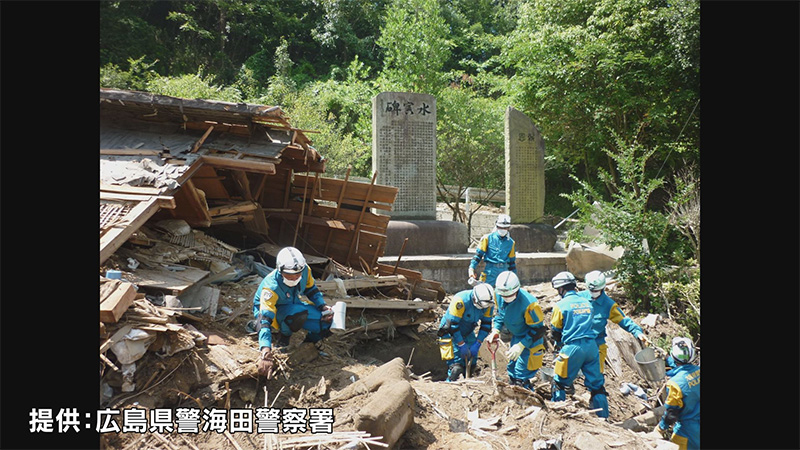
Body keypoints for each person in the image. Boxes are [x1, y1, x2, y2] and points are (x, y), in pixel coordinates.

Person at [252, 247, 333, 378]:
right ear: (280, 270)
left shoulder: (305, 270)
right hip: (274, 309)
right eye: (290, 275)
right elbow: (265, 318)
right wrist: (265, 350)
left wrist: (323, 306)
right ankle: (284, 339)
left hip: (294, 304)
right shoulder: (271, 286)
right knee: (296, 315)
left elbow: (311, 289)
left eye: (298, 274)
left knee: (328, 323)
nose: (296, 277)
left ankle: (308, 346)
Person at [549, 271, 609, 418]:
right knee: (597, 386)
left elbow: (555, 331)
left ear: (561, 289)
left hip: (573, 348)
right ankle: (604, 419)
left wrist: (558, 347)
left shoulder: (560, 305)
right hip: (592, 347)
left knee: (559, 383)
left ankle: (558, 417)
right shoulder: (588, 303)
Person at [579, 270, 650, 374]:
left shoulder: (608, 304)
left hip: (597, 346)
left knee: (596, 376)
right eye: (592, 290)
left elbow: (623, 320)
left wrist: (637, 332)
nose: (594, 293)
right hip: (578, 344)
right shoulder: (578, 298)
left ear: (602, 288)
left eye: (596, 290)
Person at [485, 271, 547, 391]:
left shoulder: (530, 304)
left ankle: (526, 399)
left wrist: (522, 345)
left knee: (521, 374)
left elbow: (538, 330)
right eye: (504, 296)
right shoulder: (498, 295)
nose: (506, 298)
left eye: (509, 295)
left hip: (531, 340)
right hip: (517, 337)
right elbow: (500, 314)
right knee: (512, 370)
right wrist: (496, 330)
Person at [437, 283, 496, 382]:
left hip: (467, 330)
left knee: (472, 363)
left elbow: (486, 325)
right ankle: (450, 383)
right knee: (456, 368)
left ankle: (467, 381)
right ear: (474, 299)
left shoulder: (488, 304)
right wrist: (461, 344)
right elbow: (453, 325)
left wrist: (478, 343)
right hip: (449, 333)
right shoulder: (460, 301)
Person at [655, 337, 700, 450]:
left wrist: (660, 428)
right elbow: (685, 370)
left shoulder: (675, 384)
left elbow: (671, 414)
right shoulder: (698, 371)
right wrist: (667, 358)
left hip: (686, 431)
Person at [469, 214, 517, 287]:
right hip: (490, 271)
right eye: (501, 227)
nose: (503, 230)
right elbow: (478, 255)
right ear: (497, 226)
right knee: (483, 291)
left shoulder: (511, 243)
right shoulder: (487, 238)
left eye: (505, 228)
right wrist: (471, 268)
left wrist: (514, 277)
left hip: (504, 272)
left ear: (508, 228)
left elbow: (512, 263)